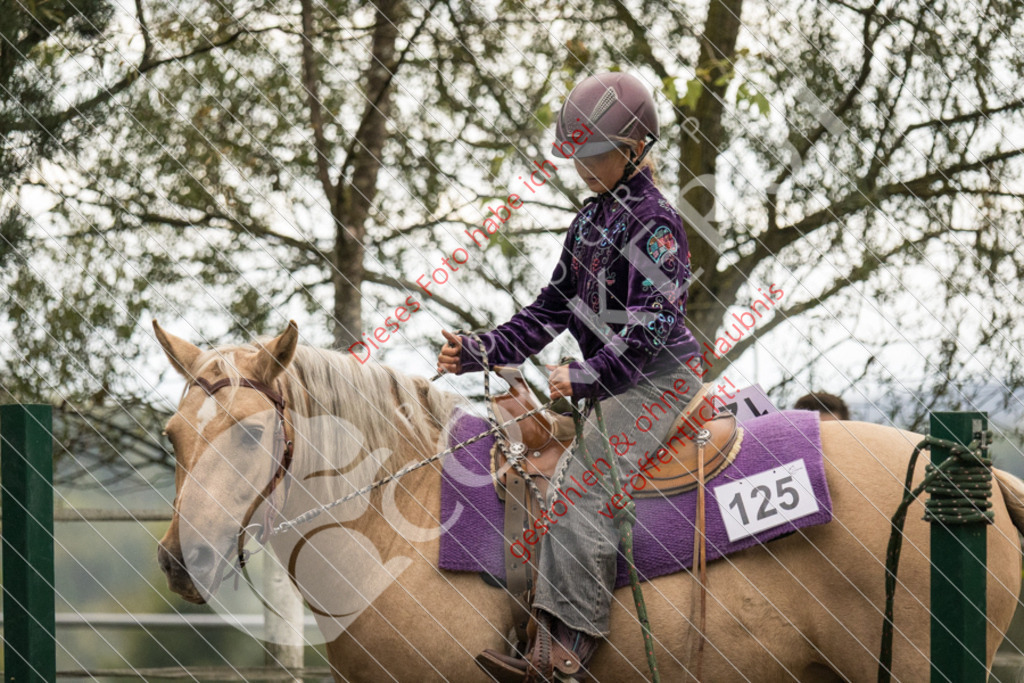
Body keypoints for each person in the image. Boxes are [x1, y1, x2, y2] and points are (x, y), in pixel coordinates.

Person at [436, 72, 702, 682]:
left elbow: (651, 325)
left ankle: (564, 655)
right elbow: (549, 310)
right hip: (612, 380)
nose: (581, 166)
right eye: (574, 154)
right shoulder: (588, 222)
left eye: (594, 153)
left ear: (634, 149)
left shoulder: (658, 225)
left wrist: (585, 377)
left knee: (581, 485)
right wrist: (479, 349)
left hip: (658, 380)